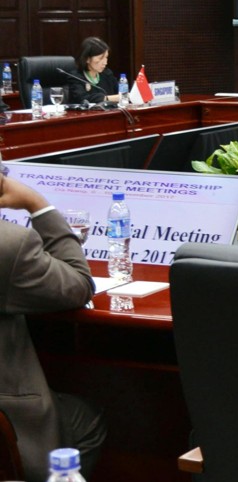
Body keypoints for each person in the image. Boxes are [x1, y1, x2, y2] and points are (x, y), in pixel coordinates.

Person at [1, 171, 107, 482]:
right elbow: (78, 286)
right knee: (85, 419)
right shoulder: (10, 244)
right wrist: (38, 204)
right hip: (7, 419)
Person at [65, 36, 121, 105]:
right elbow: (83, 99)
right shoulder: (75, 77)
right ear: (87, 59)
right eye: (100, 58)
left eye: (106, 57)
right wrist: (107, 98)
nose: (105, 62)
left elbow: (121, 93)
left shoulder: (107, 74)